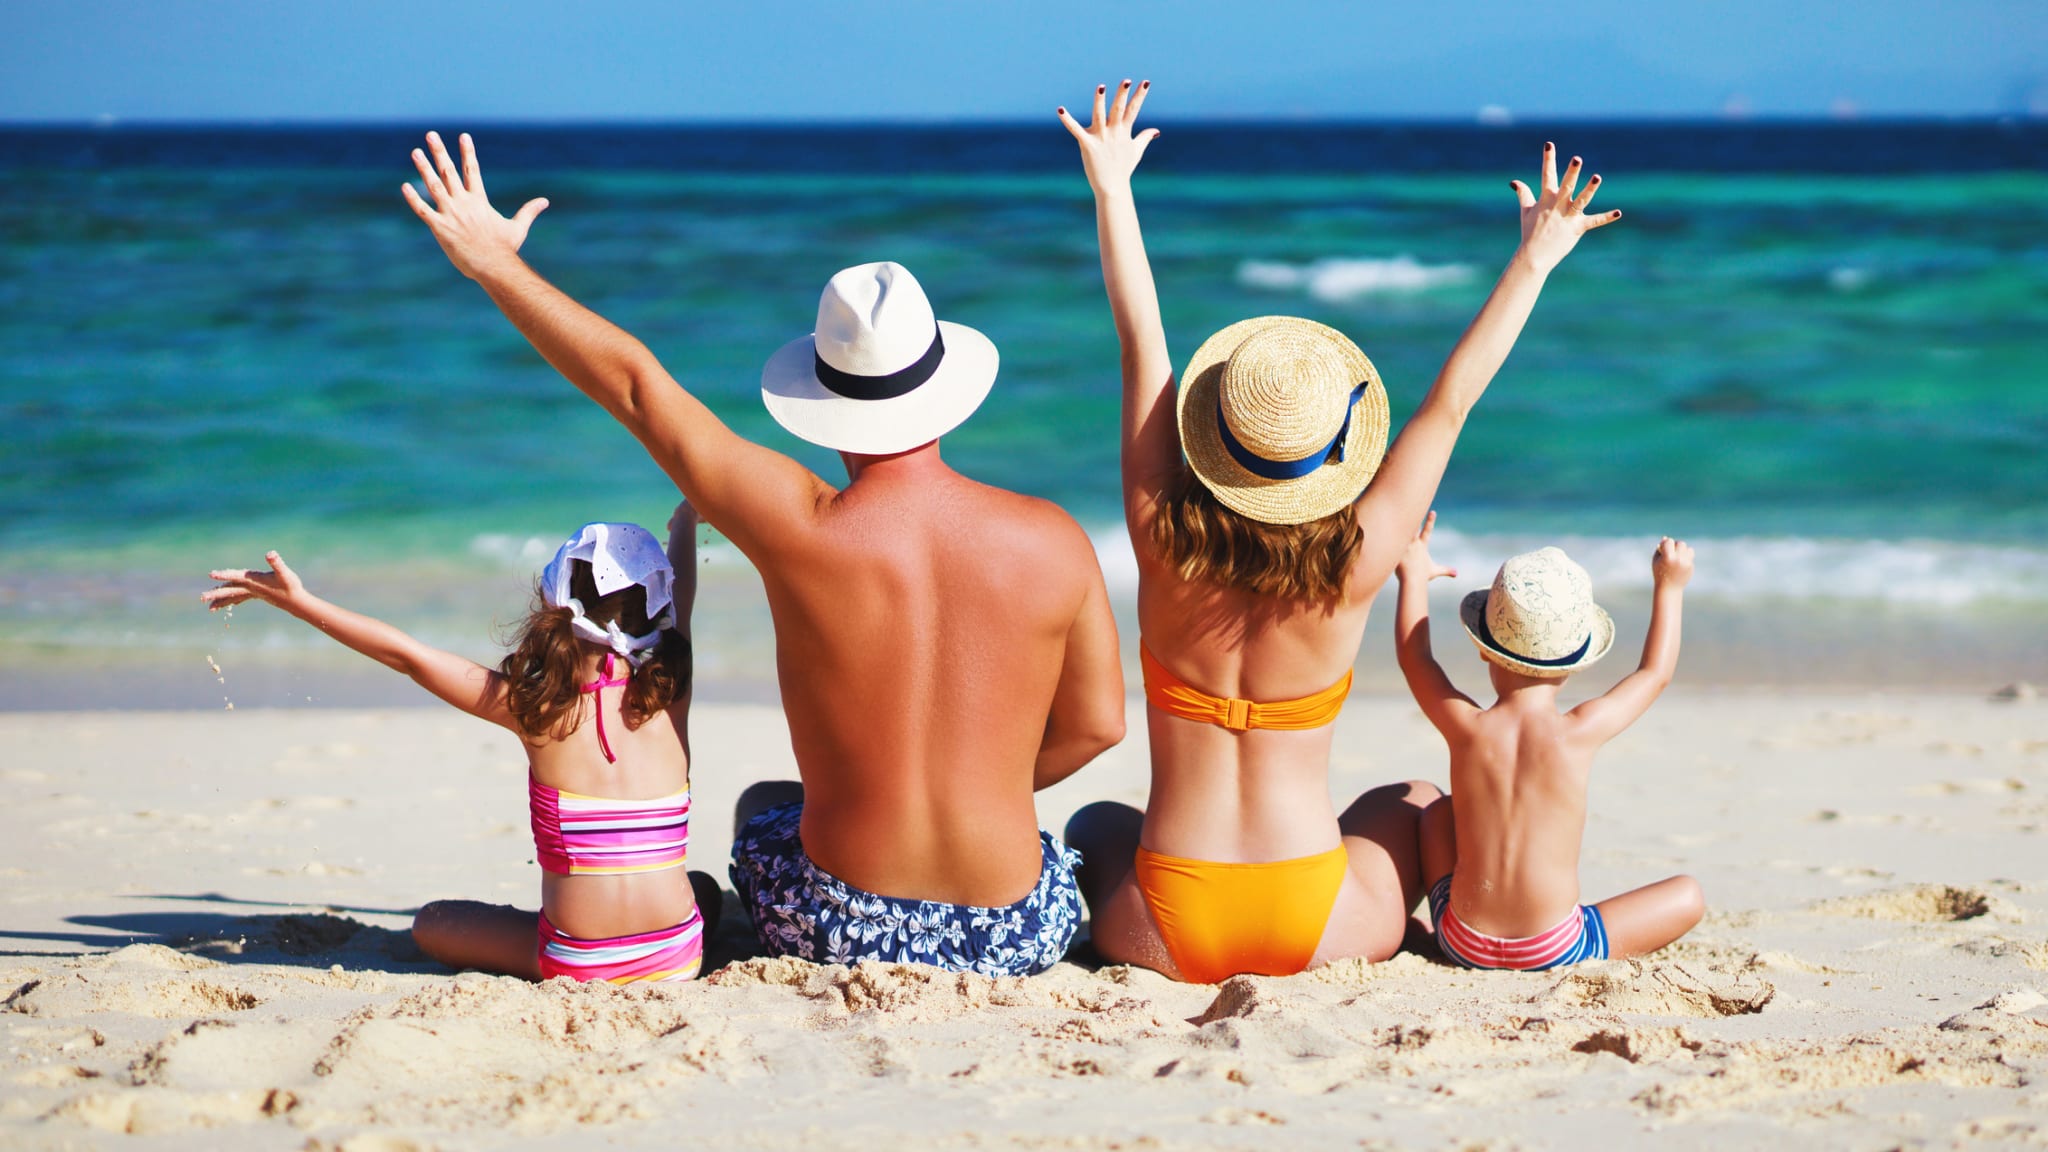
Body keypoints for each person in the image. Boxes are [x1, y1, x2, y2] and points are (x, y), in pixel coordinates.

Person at [400, 132, 1125, 977]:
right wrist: (983, 793)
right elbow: (1099, 726)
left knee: (767, 806)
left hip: (836, 931)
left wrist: (496, 266)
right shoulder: (1053, 538)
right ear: (945, 388)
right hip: (1008, 935)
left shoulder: (797, 524)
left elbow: (637, 388)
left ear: (824, 398)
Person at [1056, 80, 1625, 982]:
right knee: (1411, 801)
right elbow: (1451, 403)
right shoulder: (1357, 563)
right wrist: (1536, 259)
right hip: (1317, 921)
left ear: (1216, 441)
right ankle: (1481, 936)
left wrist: (1113, 189)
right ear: (1334, 456)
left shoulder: (1159, 533)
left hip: (1163, 928)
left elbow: (1144, 342)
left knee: (1095, 824)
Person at [203, 507, 715, 983]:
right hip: (678, 956)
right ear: (657, 611)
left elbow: (408, 656)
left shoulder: (532, 707)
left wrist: (300, 603)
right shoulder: (672, 688)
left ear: (556, 600)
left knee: (434, 922)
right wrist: (686, 524)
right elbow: (683, 603)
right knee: (704, 889)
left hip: (577, 964)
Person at [1395, 519, 1706, 968]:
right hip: (1554, 947)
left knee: (1437, 813)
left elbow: (1415, 657)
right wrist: (1670, 588)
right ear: (1577, 661)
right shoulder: (1580, 730)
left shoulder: (1465, 725)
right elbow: (1654, 674)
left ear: (1484, 647)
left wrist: (1413, 578)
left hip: (1461, 939)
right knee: (1688, 895)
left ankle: (1438, 932)